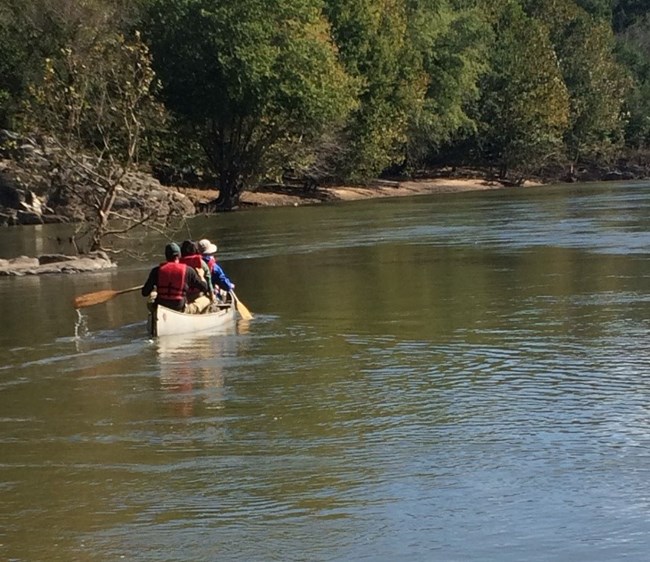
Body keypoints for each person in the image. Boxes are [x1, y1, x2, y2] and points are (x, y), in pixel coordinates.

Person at [141, 242, 212, 313]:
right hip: (180, 310)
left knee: (153, 295)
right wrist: (201, 276)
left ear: (166, 256)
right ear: (179, 255)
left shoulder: (156, 271)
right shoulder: (188, 270)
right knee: (207, 300)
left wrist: (154, 287)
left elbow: (144, 293)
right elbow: (204, 287)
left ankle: (156, 317)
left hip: (161, 308)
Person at [179, 239, 215, 305]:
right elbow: (208, 279)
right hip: (198, 296)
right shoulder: (201, 263)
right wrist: (212, 297)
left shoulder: (178, 264)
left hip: (183, 297)